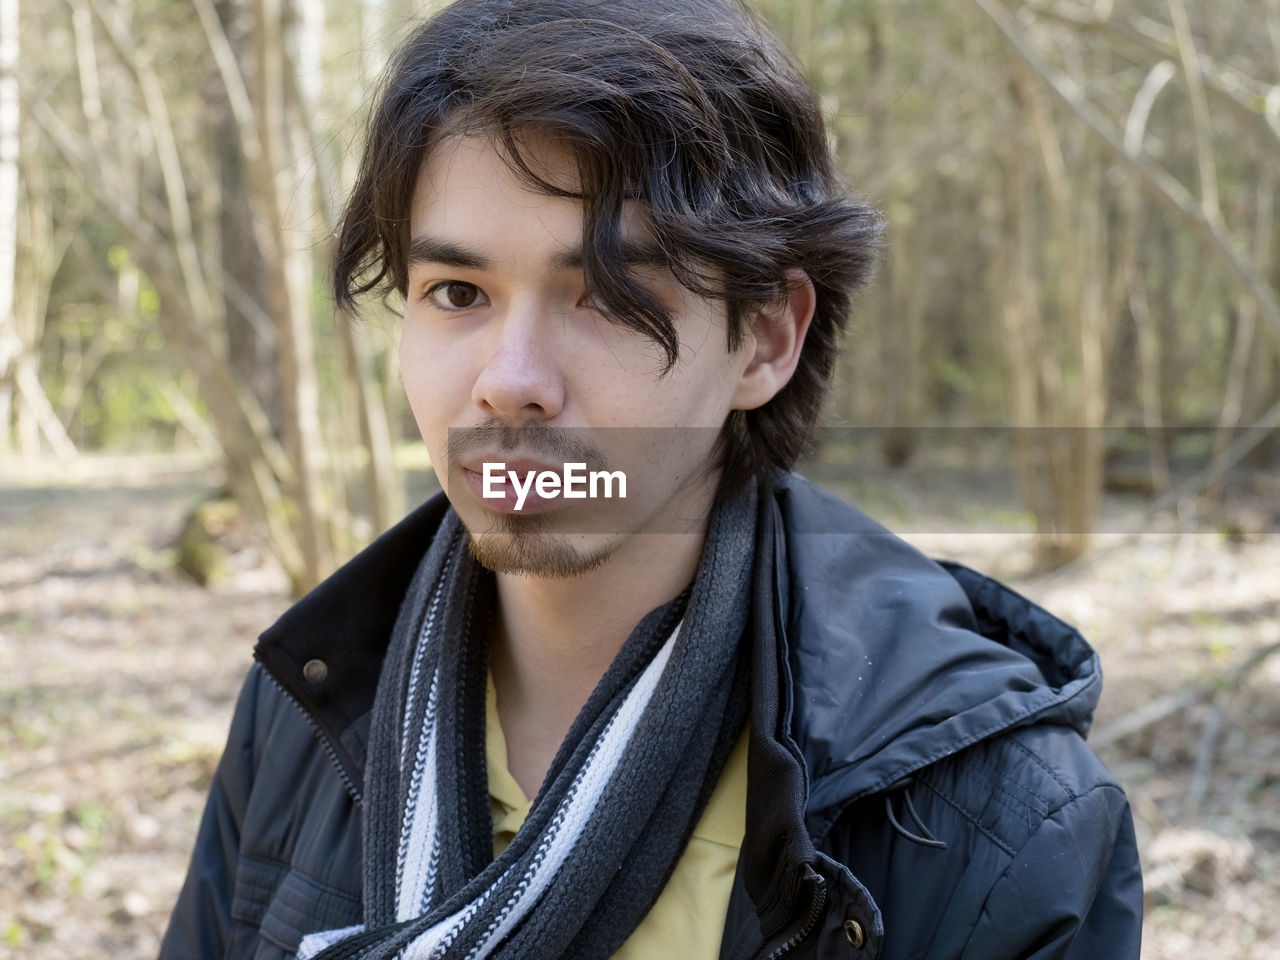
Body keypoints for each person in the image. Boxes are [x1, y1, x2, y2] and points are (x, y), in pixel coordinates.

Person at [159, 0, 1143, 957]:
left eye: (607, 296)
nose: (508, 384)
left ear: (764, 338)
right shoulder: (309, 709)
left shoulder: (998, 826)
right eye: (457, 293)